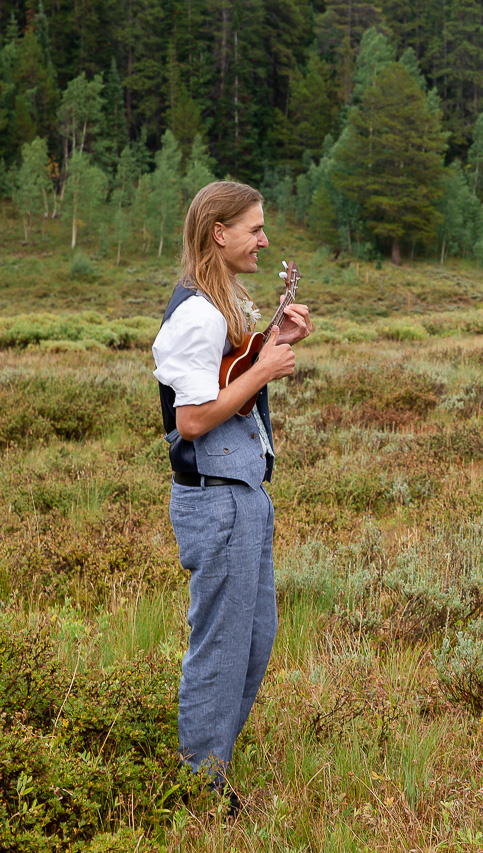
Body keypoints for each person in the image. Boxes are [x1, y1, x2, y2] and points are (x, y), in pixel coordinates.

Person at [152, 181, 313, 802]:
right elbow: (190, 420)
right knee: (222, 646)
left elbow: (224, 376)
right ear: (219, 233)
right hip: (217, 498)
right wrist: (268, 370)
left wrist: (274, 344)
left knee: (254, 638)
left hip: (241, 494)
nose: (264, 240)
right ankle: (199, 787)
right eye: (254, 229)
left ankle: (209, 769)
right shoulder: (196, 312)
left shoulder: (220, 305)